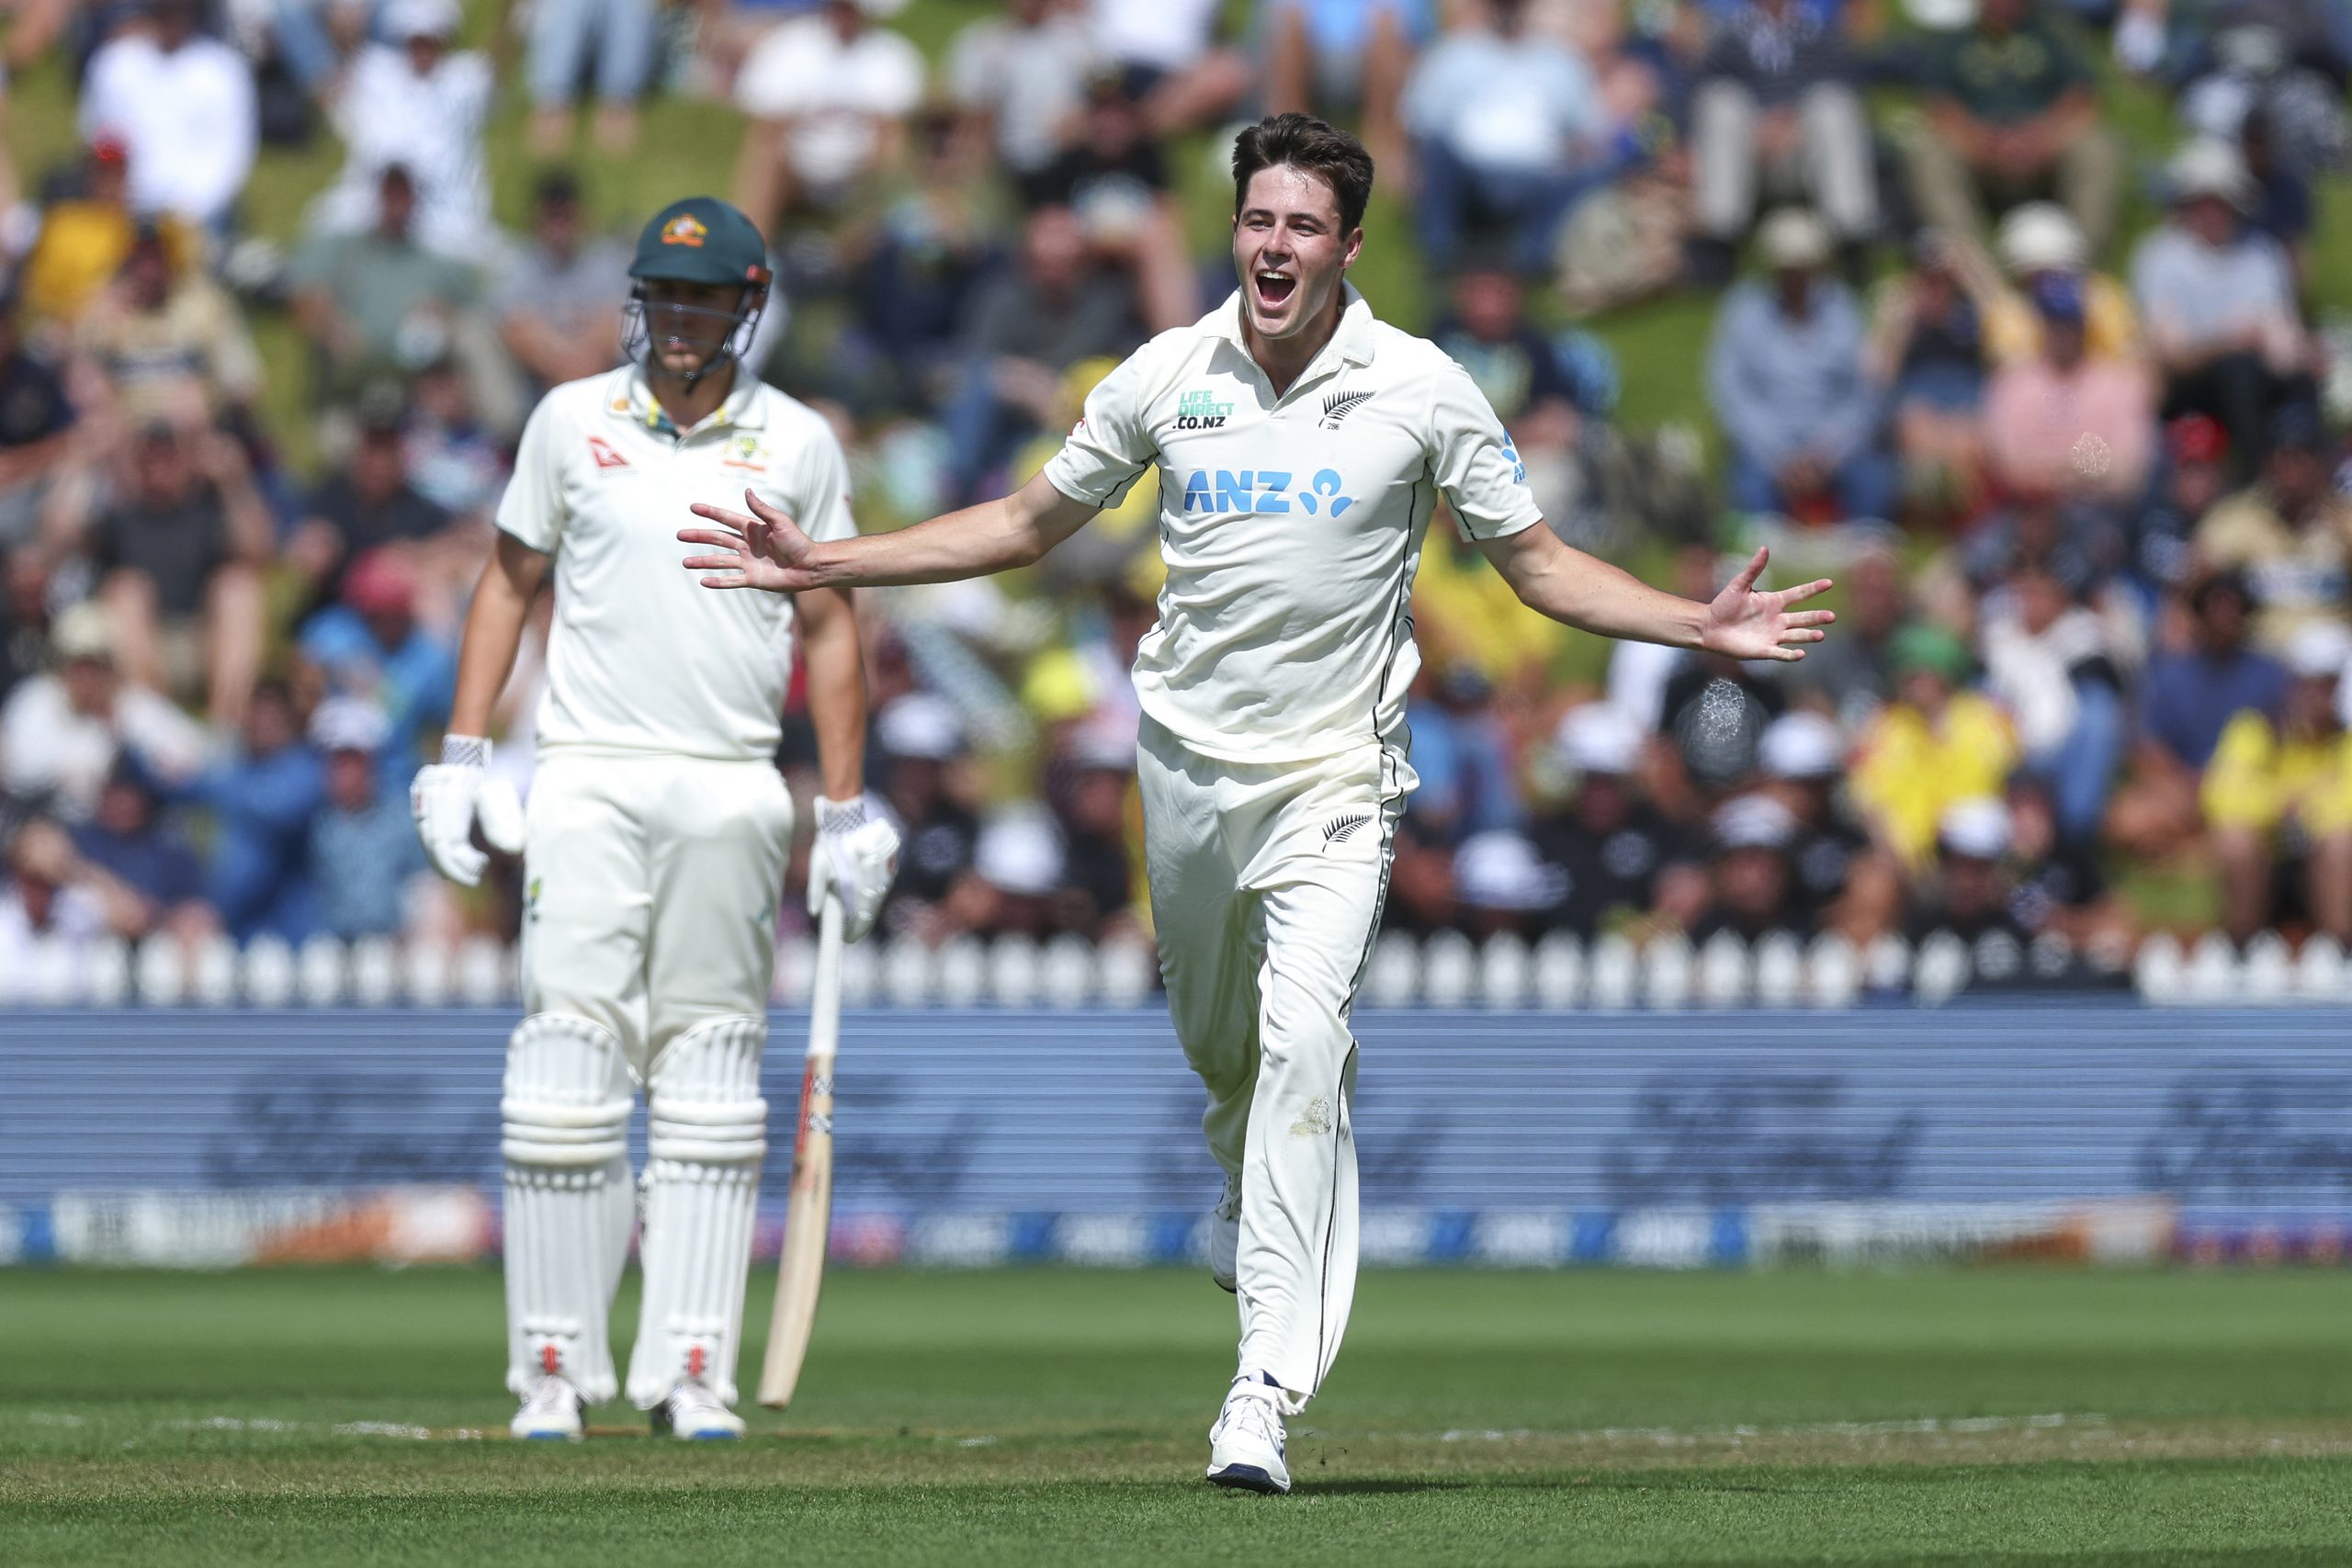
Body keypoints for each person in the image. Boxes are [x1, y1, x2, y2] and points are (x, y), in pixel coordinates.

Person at [679, 114, 1834, 1493]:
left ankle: (1260, 1391)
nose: (1274, 246)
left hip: (1339, 777)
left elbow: (1535, 563)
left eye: (1302, 226)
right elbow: (1021, 523)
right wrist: (831, 558)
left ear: (1349, 245)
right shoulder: (1169, 373)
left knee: (1302, 1040)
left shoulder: (1420, 385)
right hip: (1185, 772)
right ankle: (1248, 1194)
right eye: (1257, 221)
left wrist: (1691, 628)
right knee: (1229, 1054)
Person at [410, 197, 899, 1442]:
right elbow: (506, 584)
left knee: (711, 1077)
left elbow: (833, 625)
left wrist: (843, 806)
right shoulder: (571, 420)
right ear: (641, 301)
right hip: (585, 769)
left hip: (731, 780)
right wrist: (464, 754)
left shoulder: (798, 442)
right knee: (566, 1067)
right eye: (664, 297)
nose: (681, 320)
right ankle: (553, 1371)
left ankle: (692, 1367)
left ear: (750, 301)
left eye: (705, 298)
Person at [2131, 140, 2311, 482]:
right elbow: (2173, 356)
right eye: (2203, 202)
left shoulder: (2261, 254)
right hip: (2188, 387)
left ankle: (2307, 481)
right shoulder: (2160, 257)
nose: (2211, 212)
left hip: (2255, 371)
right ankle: (2257, 480)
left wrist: (2301, 354)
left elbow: (2282, 335)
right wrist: (2231, 342)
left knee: (2302, 382)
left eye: (2220, 202)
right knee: (2237, 370)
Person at [1903, 0, 2120, 275]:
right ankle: (1977, 277)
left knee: (2097, 148)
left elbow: (2084, 98)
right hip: (1979, 152)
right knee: (1929, 155)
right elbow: (1938, 108)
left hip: (2046, 149)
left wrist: (2042, 138)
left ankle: (2079, 270)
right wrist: (1983, 142)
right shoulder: (1953, 43)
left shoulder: (2054, 34)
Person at [1707, 207, 1893, 524]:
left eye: (1802, 268)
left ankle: (1861, 547)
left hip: (1833, 445)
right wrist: (1776, 455)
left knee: (1876, 484)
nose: (1794, 277)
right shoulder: (1743, 310)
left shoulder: (1843, 310)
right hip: (1767, 448)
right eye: (1785, 267)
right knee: (1748, 490)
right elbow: (1730, 390)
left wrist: (1827, 452)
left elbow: (1863, 389)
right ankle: (1772, 549)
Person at [1688, 0, 1876, 281]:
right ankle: (1720, 237)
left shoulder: (1817, 34)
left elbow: (1843, 81)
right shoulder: (1731, 37)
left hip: (1806, 154)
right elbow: (1705, 88)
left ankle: (1852, 235)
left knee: (1835, 106)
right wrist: (1761, 126)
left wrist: (1794, 125)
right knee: (1721, 102)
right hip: (1752, 155)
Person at [76, 0, 257, 234]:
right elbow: (99, 137)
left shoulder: (222, 71)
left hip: (197, 214)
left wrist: (186, 211)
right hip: (121, 208)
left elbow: (230, 157)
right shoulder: (117, 61)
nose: (172, 19)